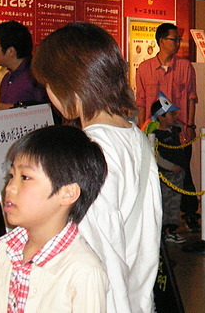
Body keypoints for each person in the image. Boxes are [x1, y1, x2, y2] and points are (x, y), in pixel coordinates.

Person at [31, 22, 162, 313]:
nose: (48, 95)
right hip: (137, 298)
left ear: (71, 82)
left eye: (49, 85)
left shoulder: (89, 150)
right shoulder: (134, 137)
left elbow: (101, 255)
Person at [0, 125, 109, 313]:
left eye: (25, 177)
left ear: (67, 193)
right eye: (12, 176)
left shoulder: (83, 271)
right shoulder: (8, 250)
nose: (10, 188)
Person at [135, 23, 200, 232]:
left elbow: (191, 97)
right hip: (154, 132)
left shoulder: (185, 66)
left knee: (184, 173)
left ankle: (190, 213)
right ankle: (159, 221)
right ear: (161, 41)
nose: (178, 44)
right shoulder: (144, 68)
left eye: (179, 40)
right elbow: (141, 101)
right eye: (174, 40)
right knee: (157, 174)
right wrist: (140, 130)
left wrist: (190, 125)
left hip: (178, 129)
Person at [148, 94, 187, 244]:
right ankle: (165, 230)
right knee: (166, 202)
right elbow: (157, 157)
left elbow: (181, 125)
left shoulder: (174, 130)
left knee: (175, 203)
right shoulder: (156, 135)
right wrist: (171, 167)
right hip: (166, 175)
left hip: (178, 175)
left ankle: (172, 229)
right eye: (171, 114)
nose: (174, 116)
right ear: (161, 117)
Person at [0, 20, 45, 110]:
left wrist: (15, 107)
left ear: (10, 51)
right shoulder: (6, 78)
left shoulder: (36, 75)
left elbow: (47, 108)